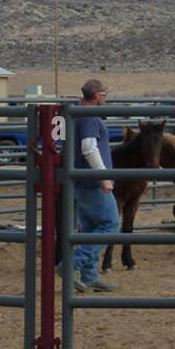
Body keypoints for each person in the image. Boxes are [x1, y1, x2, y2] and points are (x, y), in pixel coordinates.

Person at [70, 78, 119, 293]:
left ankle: (90, 276)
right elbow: (89, 147)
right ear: (98, 95)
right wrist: (104, 177)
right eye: (105, 95)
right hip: (93, 183)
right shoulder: (90, 116)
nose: (105, 98)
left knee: (90, 228)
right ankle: (73, 263)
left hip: (81, 181)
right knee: (110, 225)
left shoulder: (77, 114)